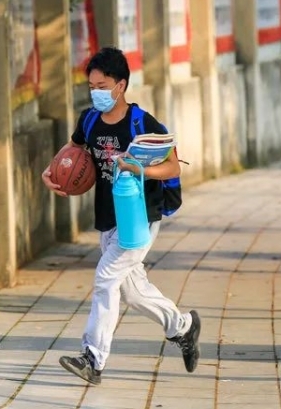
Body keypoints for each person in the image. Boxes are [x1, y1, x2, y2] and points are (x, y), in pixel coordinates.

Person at [41, 47, 200, 386]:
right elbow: (74, 150)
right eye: (91, 86)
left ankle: (92, 358)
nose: (96, 92)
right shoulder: (89, 120)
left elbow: (172, 166)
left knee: (106, 277)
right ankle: (182, 326)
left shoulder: (144, 124)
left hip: (141, 216)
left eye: (102, 85)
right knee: (131, 291)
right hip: (109, 215)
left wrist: (138, 165)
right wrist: (52, 170)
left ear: (121, 85)